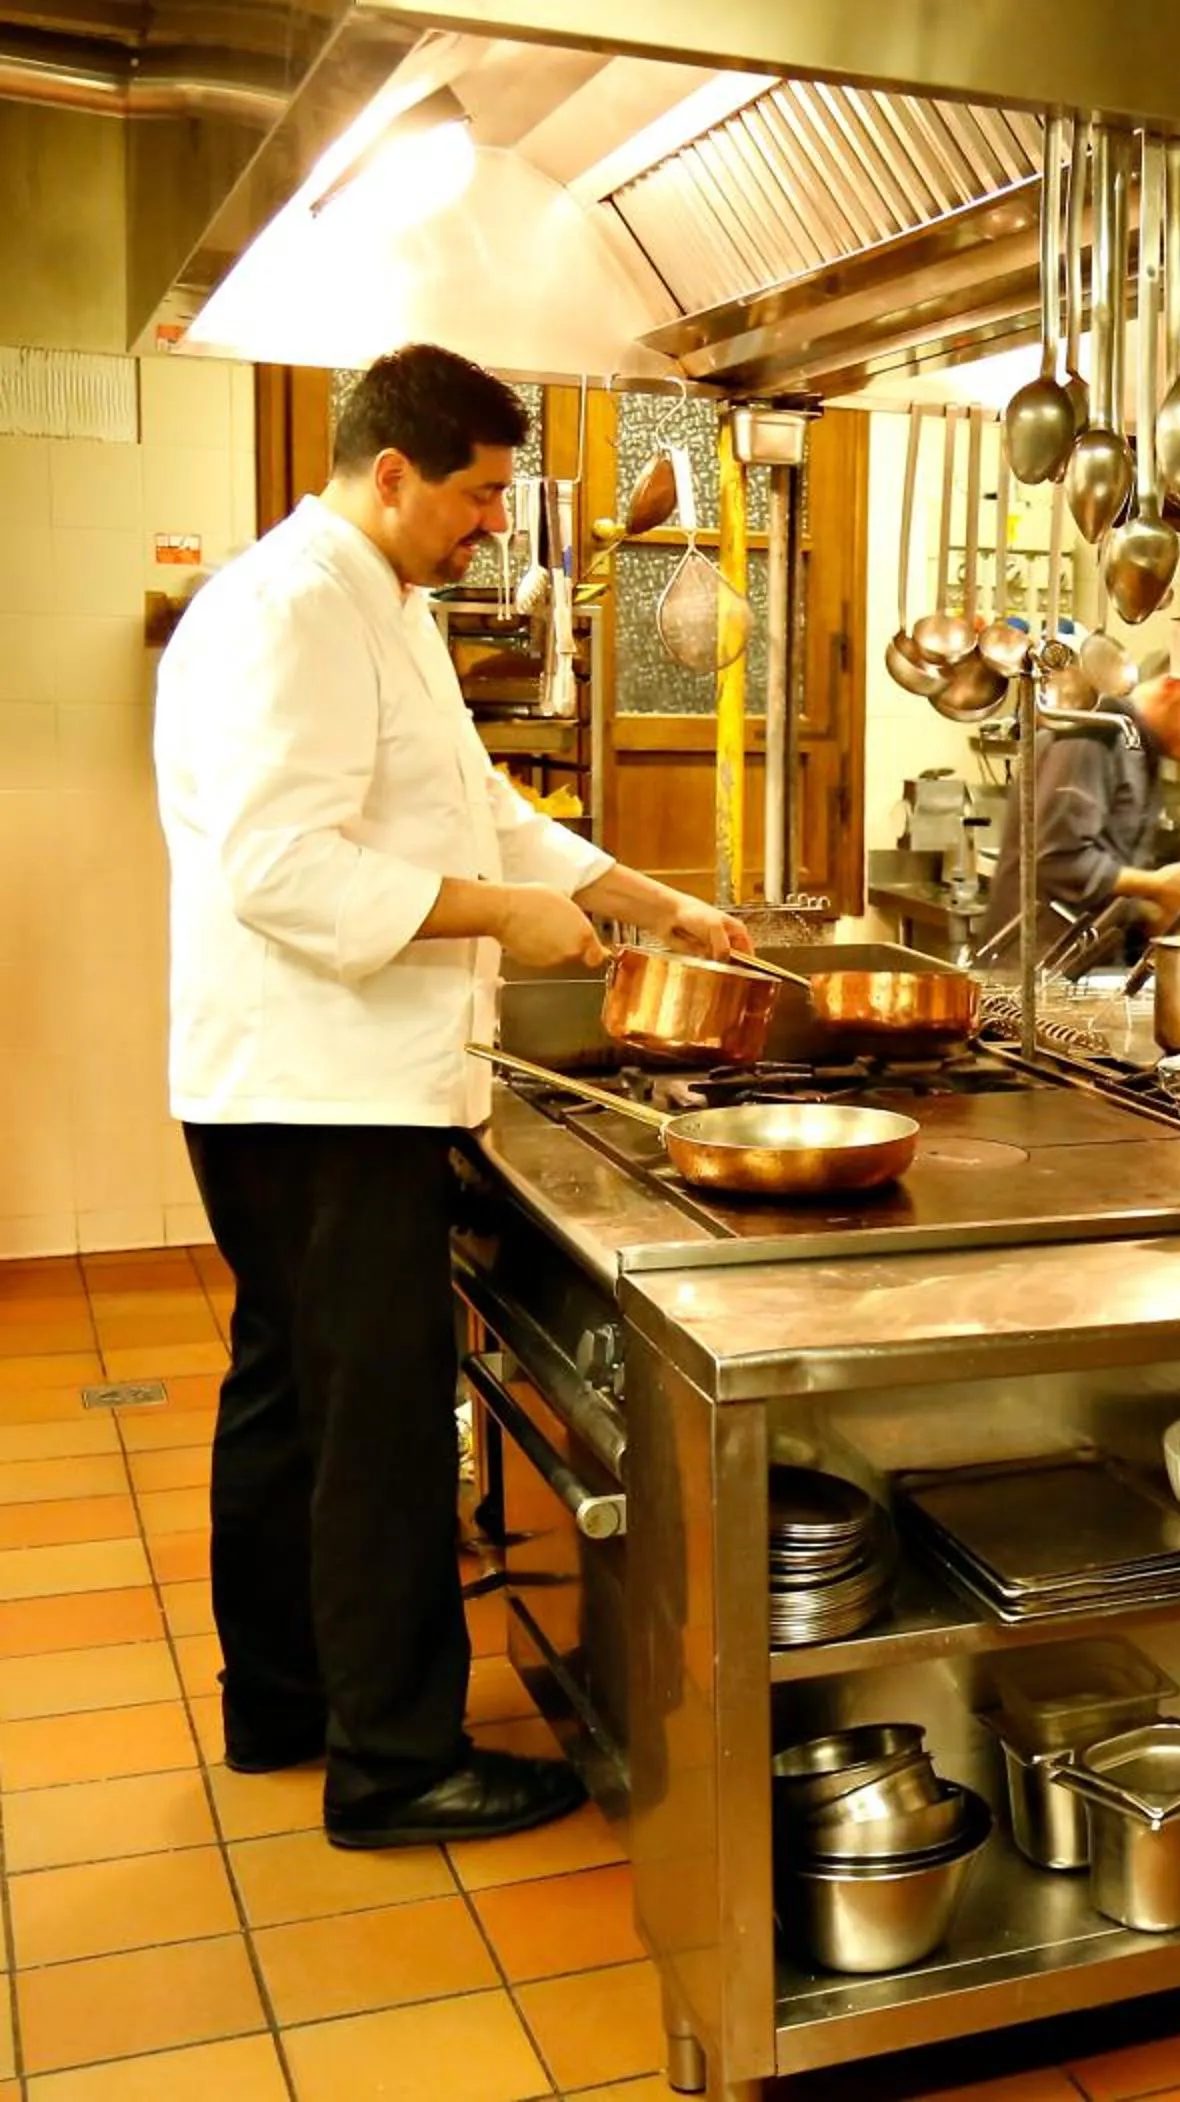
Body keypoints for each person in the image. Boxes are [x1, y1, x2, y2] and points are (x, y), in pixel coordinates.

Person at [155, 344, 757, 1850]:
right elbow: (280, 868)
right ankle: (397, 1762)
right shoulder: (296, 608)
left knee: (291, 1400)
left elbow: (477, 805)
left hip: (306, 1081)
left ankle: (285, 1699)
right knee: (376, 1429)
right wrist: (501, 920)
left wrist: (643, 898)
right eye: (483, 495)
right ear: (395, 471)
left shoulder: (383, 600)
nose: (496, 523)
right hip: (318, 1088)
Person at [999, 620, 1180, 950]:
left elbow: (1107, 882)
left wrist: (1163, 910)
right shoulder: (1095, 731)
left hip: (1074, 971)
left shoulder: (1141, 749)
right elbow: (1051, 861)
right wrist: (1156, 886)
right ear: (1172, 688)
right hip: (1027, 976)